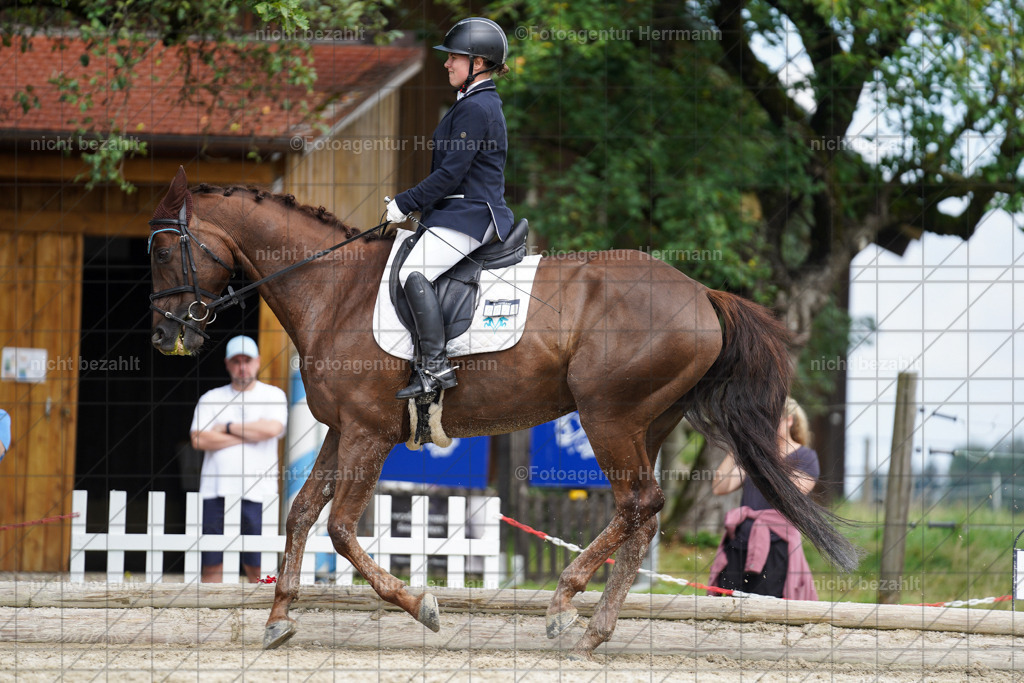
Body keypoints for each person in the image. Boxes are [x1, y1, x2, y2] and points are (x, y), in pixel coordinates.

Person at [386, 17, 515, 400]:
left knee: (413, 272)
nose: (446, 63)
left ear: (478, 63)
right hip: (457, 212)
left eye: (454, 57)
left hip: (472, 213)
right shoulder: (472, 102)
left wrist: (403, 204)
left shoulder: (477, 108)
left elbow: (451, 175)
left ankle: (436, 367)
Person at [190, 335, 287, 583]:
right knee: (212, 564)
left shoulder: (273, 395)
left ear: (258, 361)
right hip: (215, 491)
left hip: (258, 492)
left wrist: (227, 427)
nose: (242, 366)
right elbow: (199, 440)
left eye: (247, 360)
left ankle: (260, 613)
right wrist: (250, 433)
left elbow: (272, 430)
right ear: (227, 364)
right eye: (236, 361)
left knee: (258, 567)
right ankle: (210, 615)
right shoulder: (211, 398)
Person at [708, 397, 820, 600]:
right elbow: (721, 487)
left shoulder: (806, 456)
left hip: (778, 545)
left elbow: (790, 494)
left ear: (789, 420)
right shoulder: (752, 454)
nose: (764, 426)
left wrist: (762, 455)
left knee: (768, 607)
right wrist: (738, 446)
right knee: (728, 604)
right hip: (740, 541)